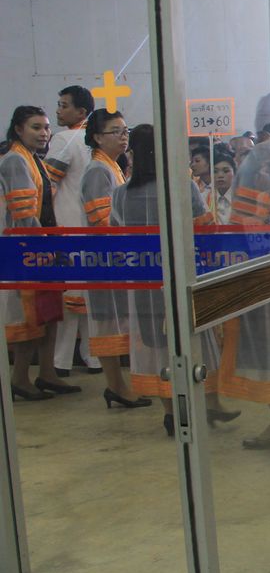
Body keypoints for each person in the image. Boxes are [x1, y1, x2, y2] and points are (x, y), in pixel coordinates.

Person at [111, 124, 223, 435]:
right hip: (182, 279)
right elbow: (205, 228)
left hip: (144, 283)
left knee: (157, 348)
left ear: (133, 154)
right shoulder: (182, 187)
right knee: (193, 343)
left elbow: (116, 237)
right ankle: (202, 407)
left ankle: (171, 413)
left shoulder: (120, 194)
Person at [1, 106, 75, 400]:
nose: (44, 133)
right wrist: (41, 247)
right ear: (18, 129)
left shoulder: (34, 159)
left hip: (44, 244)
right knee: (29, 315)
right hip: (26, 248)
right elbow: (23, 213)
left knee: (48, 312)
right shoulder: (15, 160)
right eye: (36, 127)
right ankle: (20, 377)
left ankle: (47, 372)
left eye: (46, 127)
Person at [80, 110, 149, 409]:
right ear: (97, 137)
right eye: (115, 131)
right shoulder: (98, 170)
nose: (123, 137)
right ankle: (115, 386)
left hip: (115, 256)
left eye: (125, 131)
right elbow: (102, 219)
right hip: (104, 257)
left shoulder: (113, 167)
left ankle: (120, 386)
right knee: (108, 322)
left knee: (117, 321)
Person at [45, 85, 101, 378]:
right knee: (90, 297)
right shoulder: (95, 142)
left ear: (81, 112)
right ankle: (93, 357)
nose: (58, 110)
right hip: (92, 227)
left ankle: (61, 360)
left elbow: (46, 184)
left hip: (67, 226)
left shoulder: (65, 139)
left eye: (64, 105)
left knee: (68, 299)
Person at [210, 145, 235, 224]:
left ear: (235, 173)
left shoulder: (243, 199)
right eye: (215, 171)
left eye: (226, 171)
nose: (220, 175)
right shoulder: (205, 198)